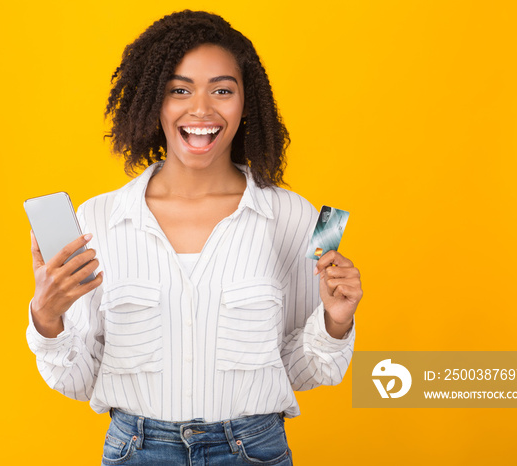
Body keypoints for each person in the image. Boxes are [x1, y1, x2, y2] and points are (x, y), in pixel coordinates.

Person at [27, 10, 362, 466]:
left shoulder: (293, 216)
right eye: (179, 90)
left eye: (222, 90)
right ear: (152, 102)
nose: (201, 109)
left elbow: (307, 370)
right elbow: (81, 380)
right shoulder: (98, 219)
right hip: (136, 451)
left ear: (247, 103)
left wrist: (335, 321)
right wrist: (48, 319)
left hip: (254, 450)